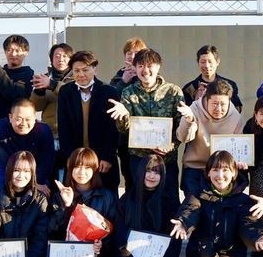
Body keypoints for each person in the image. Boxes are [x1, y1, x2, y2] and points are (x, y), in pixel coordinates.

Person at [107, 48, 185, 209]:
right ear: (135, 68)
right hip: (139, 159)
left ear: (158, 67)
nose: (145, 70)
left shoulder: (173, 91)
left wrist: (170, 145)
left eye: (150, 65)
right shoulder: (129, 92)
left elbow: (181, 126)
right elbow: (124, 130)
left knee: (169, 202)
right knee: (138, 202)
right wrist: (123, 116)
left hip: (166, 159)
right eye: (141, 66)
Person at [57, 51, 121, 191]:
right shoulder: (66, 92)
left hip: (101, 159)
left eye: (85, 70)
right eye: (76, 70)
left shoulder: (109, 92)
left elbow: (112, 129)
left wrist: (107, 157)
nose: (81, 74)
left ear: (95, 69)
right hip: (77, 159)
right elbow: (63, 127)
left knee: (105, 197)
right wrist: (69, 157)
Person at [177, 79, 245, 199]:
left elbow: (239, 148)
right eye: (214, 103)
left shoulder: (236, 117)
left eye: (223, 104)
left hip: (221, 170)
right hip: (196, 166)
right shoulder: (194, 109)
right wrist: (189, 121)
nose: (218, 109)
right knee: (193, 203)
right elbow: (183, 138)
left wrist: (240, 160)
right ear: (206, 99)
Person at [0, 99, 54, 195]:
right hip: (5, 165)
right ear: (10, 117)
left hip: (32, 169)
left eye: (28, 119)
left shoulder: (43, 130)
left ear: (34, 118)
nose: (23, 124)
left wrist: (40, 181)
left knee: (40, 194)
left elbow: (47, 159)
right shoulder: (2, 126)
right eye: (18, 119)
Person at [30, 43, 74, 181]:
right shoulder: (45, 78)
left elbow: (72, 95)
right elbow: (35, 106)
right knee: (49, 171)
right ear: (51, 59)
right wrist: (39, 91)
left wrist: (52, 85)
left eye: (65, 56)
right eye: (57, 56)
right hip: (50, 133)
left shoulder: (77, 77)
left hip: (70, 134)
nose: (61, 59)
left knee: (68, 172)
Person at [110, 37, 147, 190]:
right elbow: (110, 99)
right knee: (129, 176)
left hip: (145, 136)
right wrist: (123, 81)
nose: (132, 56)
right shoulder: (119, 76)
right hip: (124, 138)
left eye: (137, 53)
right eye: (129, 53)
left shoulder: (147, 75)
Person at [0, 34, 34, 132]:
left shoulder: (27, 74)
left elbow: (13, 94)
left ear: (26, 53)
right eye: (9, 50)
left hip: (15, 130)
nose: (13, 54)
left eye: (17, 50)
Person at [182, 45, 243, 112]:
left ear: (217, 62)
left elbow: (237, 110)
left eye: (210, 61)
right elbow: (185, 112)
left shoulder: (229, 85)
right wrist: (196, 101)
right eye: (203, 62)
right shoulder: (189, 88)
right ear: (198, 63)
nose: (206, 65)